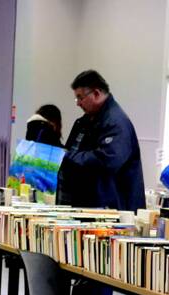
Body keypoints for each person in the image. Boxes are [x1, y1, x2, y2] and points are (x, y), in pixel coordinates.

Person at [57, 70, 145, 211]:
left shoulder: (116, 123)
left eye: (80, 97)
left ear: (96, 94)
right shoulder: (84, 122)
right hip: (87, 205)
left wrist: (68, 156)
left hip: (111, 209)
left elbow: (107, 160)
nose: (78, 103)